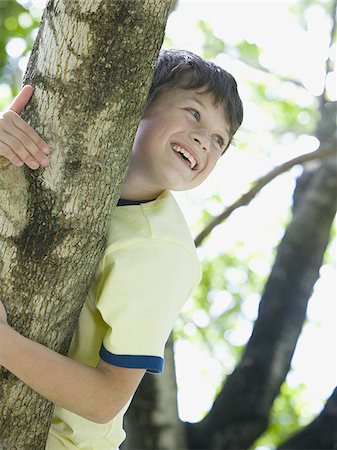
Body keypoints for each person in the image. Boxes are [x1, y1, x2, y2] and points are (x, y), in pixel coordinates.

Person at [0, 49, 243, 449]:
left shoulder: (161, 250)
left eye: (220, 139)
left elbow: (106, 399)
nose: (205, 140)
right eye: (193, 113)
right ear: (138, 103)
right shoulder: (57, 162)